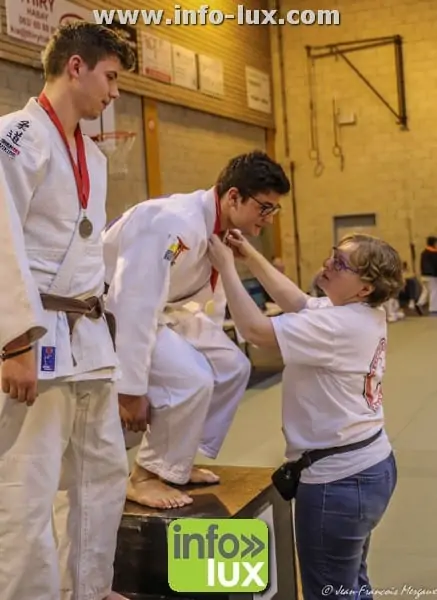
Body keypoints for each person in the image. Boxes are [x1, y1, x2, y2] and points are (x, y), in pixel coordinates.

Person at [0, 22, 135, 600]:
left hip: (88, 341)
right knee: (26, 491)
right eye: (111, 77)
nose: (115, 93)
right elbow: (1, 240)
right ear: (75, 67)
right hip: (36, 339)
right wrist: (14, 341)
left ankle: (88, 589)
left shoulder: (93, 158)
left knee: (102, 475)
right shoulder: (14, 137)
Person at [207, 231, 403, 600]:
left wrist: (227, 268)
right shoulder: (358, 312)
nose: (328, 264)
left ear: (364, 288)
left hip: (339, 480)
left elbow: (256, 331)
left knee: (328, 590)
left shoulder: (339, 326)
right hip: (368, 466)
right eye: (334, 255)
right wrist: (250, 254)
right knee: (350, 582)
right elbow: (297, 301)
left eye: (341, 264)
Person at [102, 151, 290, 509]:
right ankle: (144, 476)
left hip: (166, 310)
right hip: (115, 310)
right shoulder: (173, 223)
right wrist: (131, 388)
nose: (268, 219)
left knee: (233, 367)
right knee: (193, 378)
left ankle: (177, 459)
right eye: (264, 208)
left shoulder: (218, 230)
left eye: (273, 210)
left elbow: (210, 299)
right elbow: (134, 301)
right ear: (233, 196)